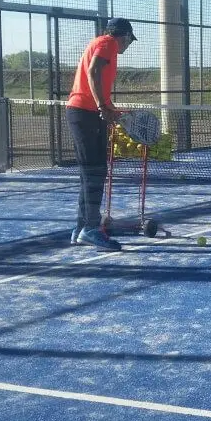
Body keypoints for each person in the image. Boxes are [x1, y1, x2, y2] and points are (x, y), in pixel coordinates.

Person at [66, 17, 136, 250]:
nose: (128, 46)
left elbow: (96, 82)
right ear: (124, 36)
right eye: (129, 41)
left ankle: (81, 228)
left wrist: (111, 109)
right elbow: (93, 71)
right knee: (95, 172)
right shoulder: (108, 44)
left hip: (87, 113)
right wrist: (102, 107)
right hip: (85, 113)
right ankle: (91, 229)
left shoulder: (100, 43)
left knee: (91, 173)